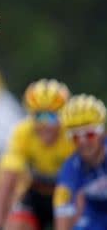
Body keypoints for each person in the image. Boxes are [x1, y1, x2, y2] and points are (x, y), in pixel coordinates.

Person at [0, 79, 74, 230]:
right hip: (36, 195)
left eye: (51, 116)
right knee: (17, 225)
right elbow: (8, 180)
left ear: (63, 115)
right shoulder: (22, 132)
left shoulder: (70, 136)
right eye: (38, 115)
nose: (44, 123)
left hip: (66, 195)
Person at [53, 94, 107, 230]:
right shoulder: (69, 167)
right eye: (75, 136)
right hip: (96, 215)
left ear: (102, 132)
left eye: (89, 133)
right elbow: (62, 214)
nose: (83, 141)